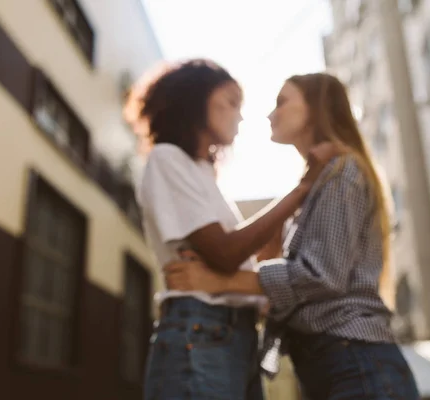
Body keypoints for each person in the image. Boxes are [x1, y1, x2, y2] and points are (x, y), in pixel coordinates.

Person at [164, 72, 421, 400]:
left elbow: (321, 275)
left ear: (314, 108)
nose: (272, 114)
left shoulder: (341, 173)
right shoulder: (321, 181)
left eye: (282, 102)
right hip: (337, 363)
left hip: (355, 361)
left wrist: (217, 281)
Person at [125, 60, 341, 400]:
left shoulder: (205, 176)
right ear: (194, 100)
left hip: (234, 335)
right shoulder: (167, 159)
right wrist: (302, 189)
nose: (239, 116)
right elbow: (225, 253)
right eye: (230, 102)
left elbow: (245, 258)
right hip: (200, 329)